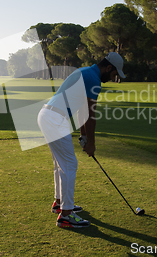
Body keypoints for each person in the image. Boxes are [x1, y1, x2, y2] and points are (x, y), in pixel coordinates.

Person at [37, 52, 125, 228]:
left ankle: (60, 203)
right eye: (114, 74)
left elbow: (81, 111)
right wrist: (91, 144)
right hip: (55, 118)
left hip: (48, 115)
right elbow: (91, 116)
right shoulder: (94, 79)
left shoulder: (86, 72)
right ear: (108, 68)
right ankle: (66, 216)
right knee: (70, 164)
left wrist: (84, 136)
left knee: (61, 164)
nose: (114, 78)